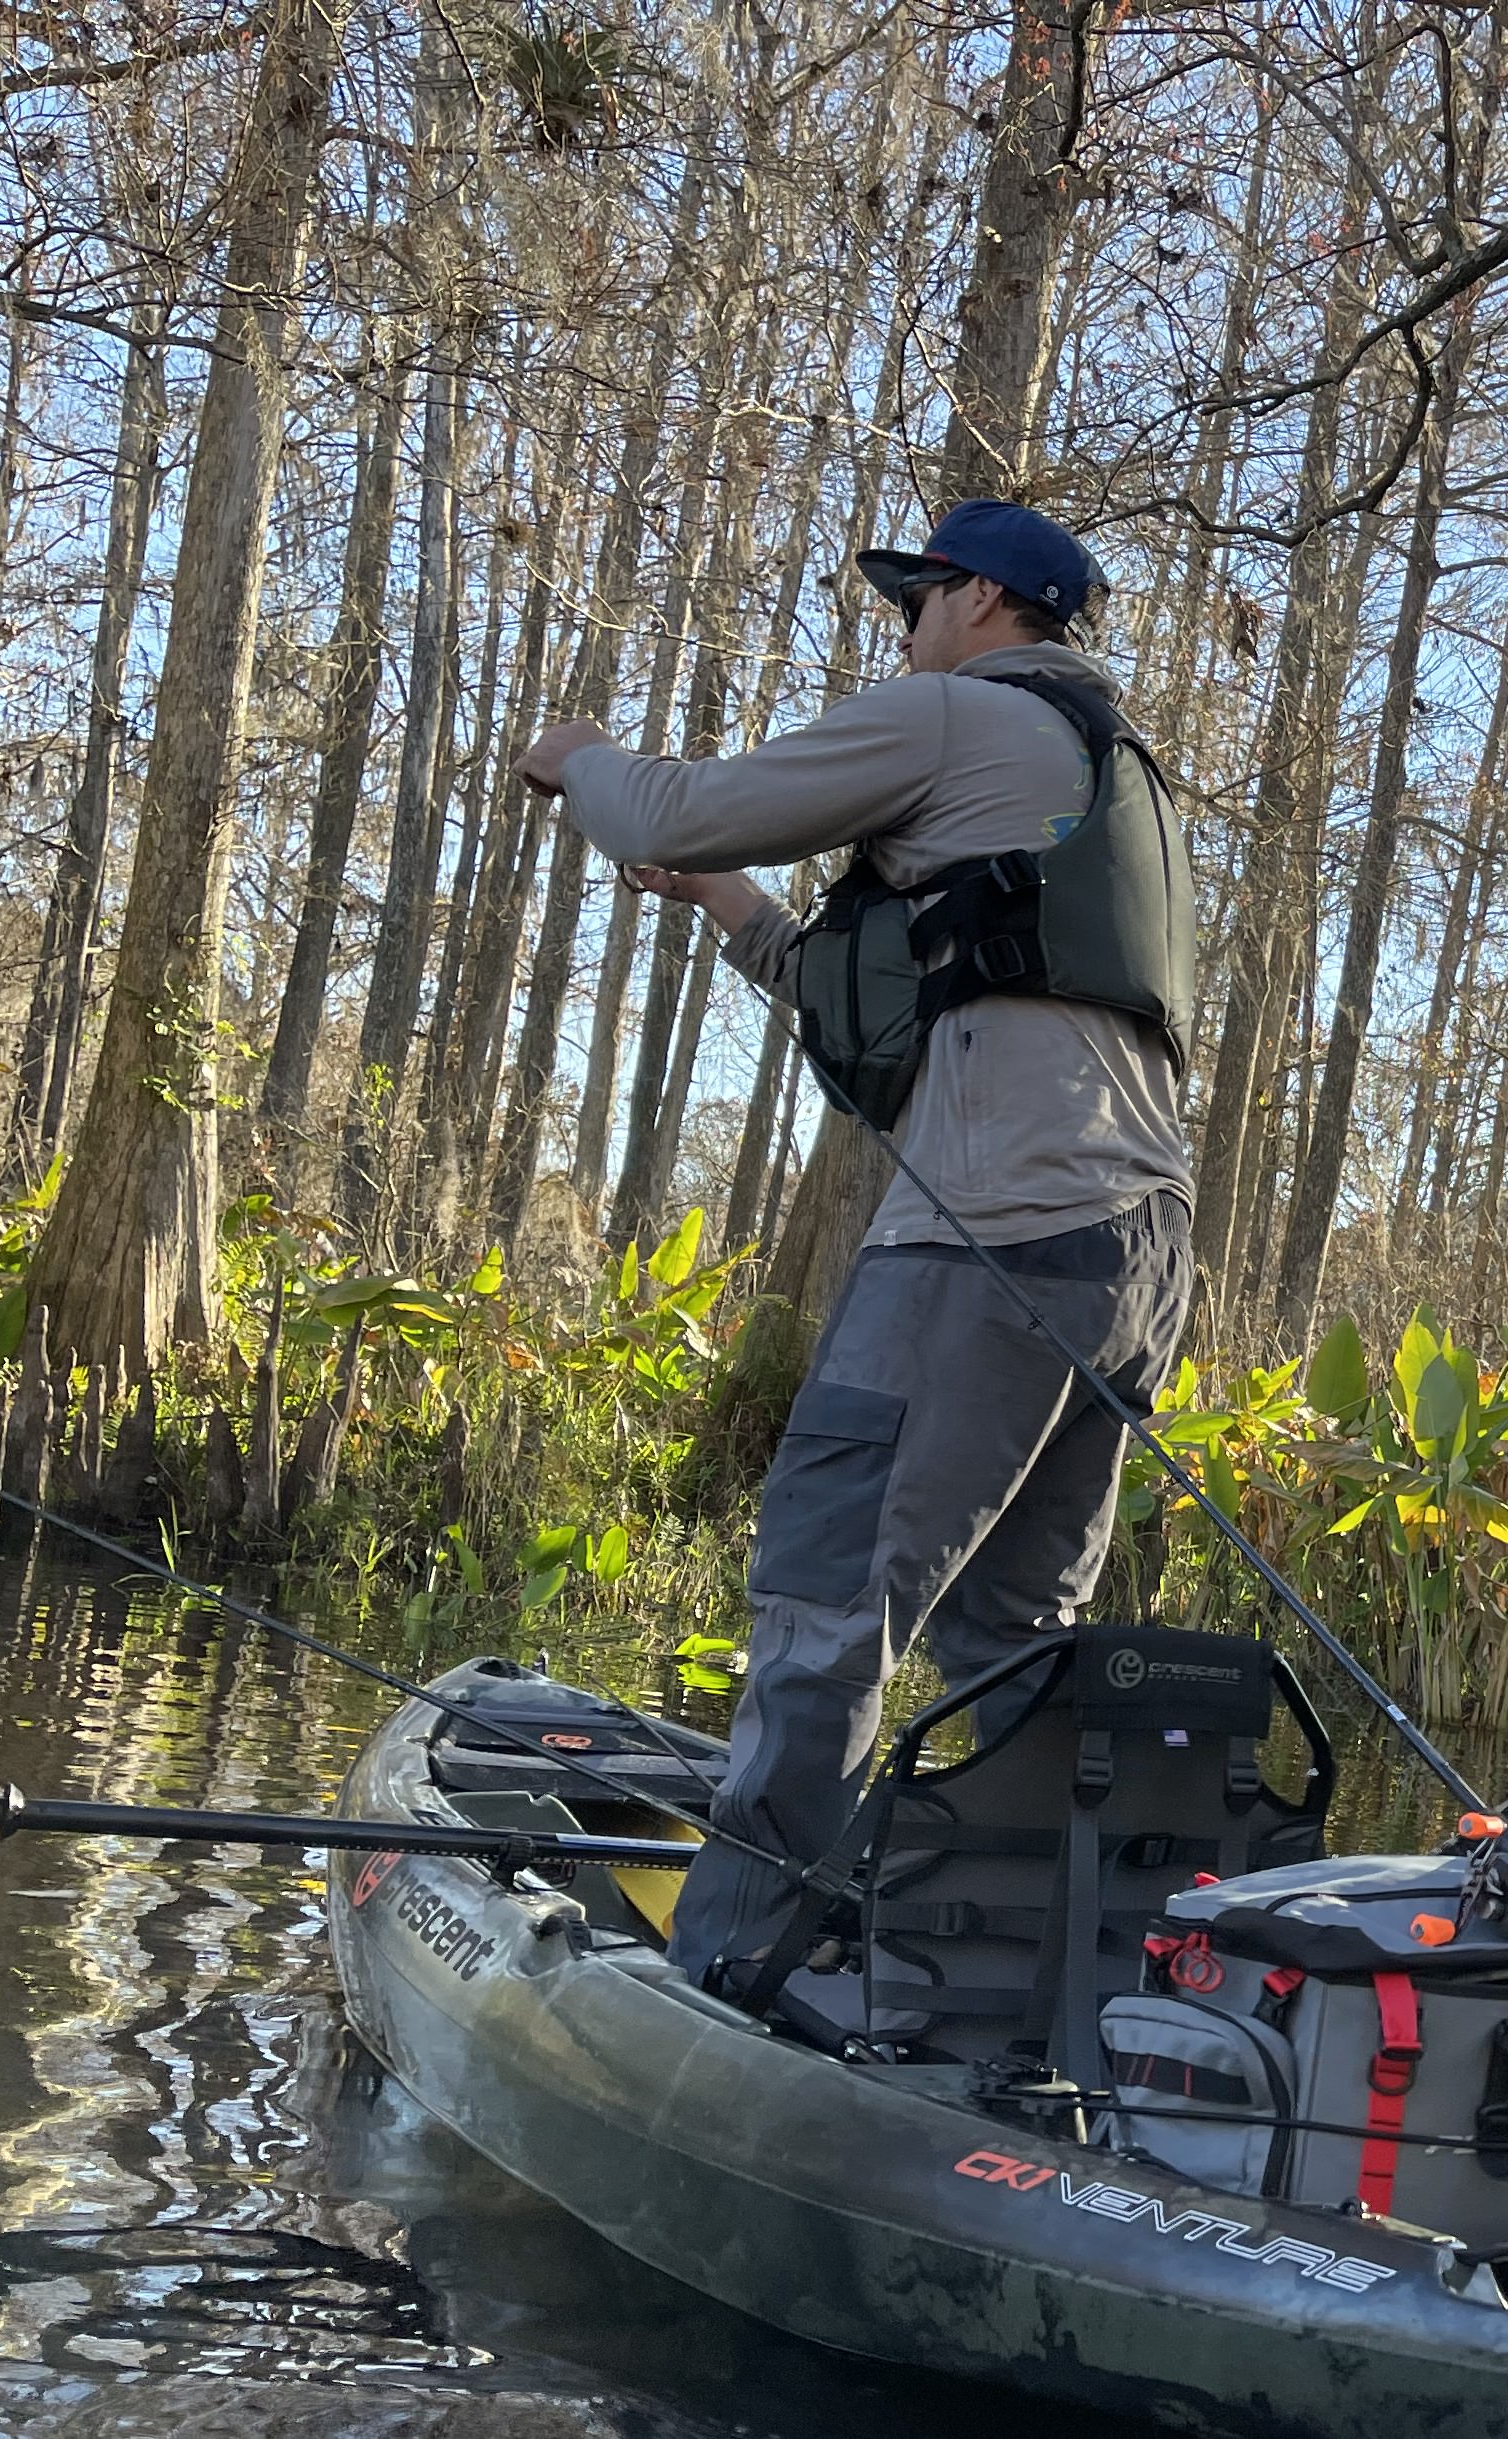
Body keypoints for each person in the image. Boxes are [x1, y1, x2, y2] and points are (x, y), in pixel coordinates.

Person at [518, 499, 1190, 2005]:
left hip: (992, 1236)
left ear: (986, 603)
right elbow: (861, 1003)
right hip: (1128, 1256)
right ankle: (1029, 1990)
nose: (900, 622)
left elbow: (667, 808)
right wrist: (729, 905)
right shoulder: (1096, 776)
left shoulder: (956, 715)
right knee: (1011, 1633)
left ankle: (725, 1983)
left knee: (830, 1597)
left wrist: (577, 760)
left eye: (917, 592)